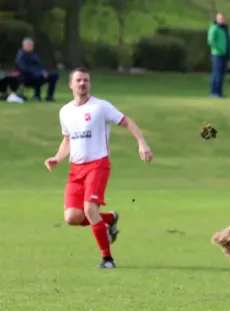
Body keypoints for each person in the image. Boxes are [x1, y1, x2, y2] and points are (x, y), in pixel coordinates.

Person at [44, 68, 153, 268]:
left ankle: (107, 259)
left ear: (90, 84)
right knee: (72, 217)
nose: (82, 83)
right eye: (78, 80)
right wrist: (57, 158)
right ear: (71, 85)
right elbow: (67, 140)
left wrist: (142, 143)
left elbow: (126, 122)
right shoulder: (65, 111)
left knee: (89, 208)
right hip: (75, 169)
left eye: (86, 80)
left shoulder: (100, 107)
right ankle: (110, 218)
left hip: (97, 164)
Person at [16, 37, 59, 102]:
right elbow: (23, 68)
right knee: (39, 77)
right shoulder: (21, 55)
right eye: (28, 45)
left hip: (39, 74)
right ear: (23, 46)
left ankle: (49, 97)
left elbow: (39, 65)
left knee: (54, 75)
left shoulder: (34, 54)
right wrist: (39, 73)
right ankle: (37, 96)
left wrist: (43, 71)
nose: (30, 46)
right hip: (27, 77)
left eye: (31, 45)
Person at [207, 13, 230, 98]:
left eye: (223, 18)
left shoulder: (225, 29)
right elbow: (211, 41)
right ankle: (214, 93)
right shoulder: (214, 28)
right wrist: (219, 49)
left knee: (221, 74)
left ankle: (219, 93)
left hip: (225, 54)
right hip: (217, 54)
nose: (222, 20)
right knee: (216, 74)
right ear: (217, 19)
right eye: (221, 18)